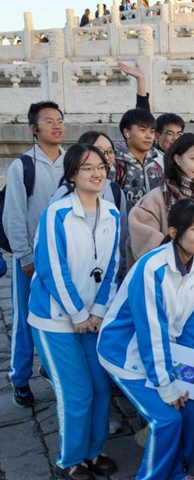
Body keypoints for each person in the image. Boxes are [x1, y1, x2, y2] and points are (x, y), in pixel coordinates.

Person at [97, 198, 194, 480]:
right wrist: (167, 386)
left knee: (190, 407)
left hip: (166, 351)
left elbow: (191, 326)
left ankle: (179, 470)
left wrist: (187, 377)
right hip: (125, 352)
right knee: (166, 419)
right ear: (174, 232)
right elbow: (151, 331)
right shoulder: (152, 268)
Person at [28, 144, 120, 480]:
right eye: (87, 168)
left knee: (100, 387)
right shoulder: (58, 213)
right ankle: (71, 460)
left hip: (92, 319)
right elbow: (53, 268)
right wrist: (78, 314)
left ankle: (94, 452)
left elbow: (112, 267)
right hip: (55, 319)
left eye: (100, 166)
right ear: (71, 175)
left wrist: (96, 312)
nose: (97, 173)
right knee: (76, 391)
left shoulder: (112, 213)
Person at [4, 101, 65, 408]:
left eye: (59, 120)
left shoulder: (74, 163)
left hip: (65, 259)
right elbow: (13, 214)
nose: (56, 126)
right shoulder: (23, 166)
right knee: (24, 321)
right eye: (48, 121)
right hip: (31, 260)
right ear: (33, 128)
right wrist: (24, 255)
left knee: (60, 319)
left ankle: (55, 370)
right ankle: (19, 378)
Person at [127, 133, 194, 270]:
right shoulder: (155, 198)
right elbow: (144, 242)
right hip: (159, 279)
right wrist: (182, 264)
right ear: (177, 159)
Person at [53, 131, 128, 280]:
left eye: (110, 151)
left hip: (104, 282)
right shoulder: (60, 203)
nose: (106, 157)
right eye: (100, 152)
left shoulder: (115, 192)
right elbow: (53, 261)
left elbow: (121, 241)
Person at [113, 108, 163, 209]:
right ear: (127, 132)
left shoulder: (156, 164)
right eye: (142, 130)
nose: (149, 136)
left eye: (152, 132)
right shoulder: (116, 164)